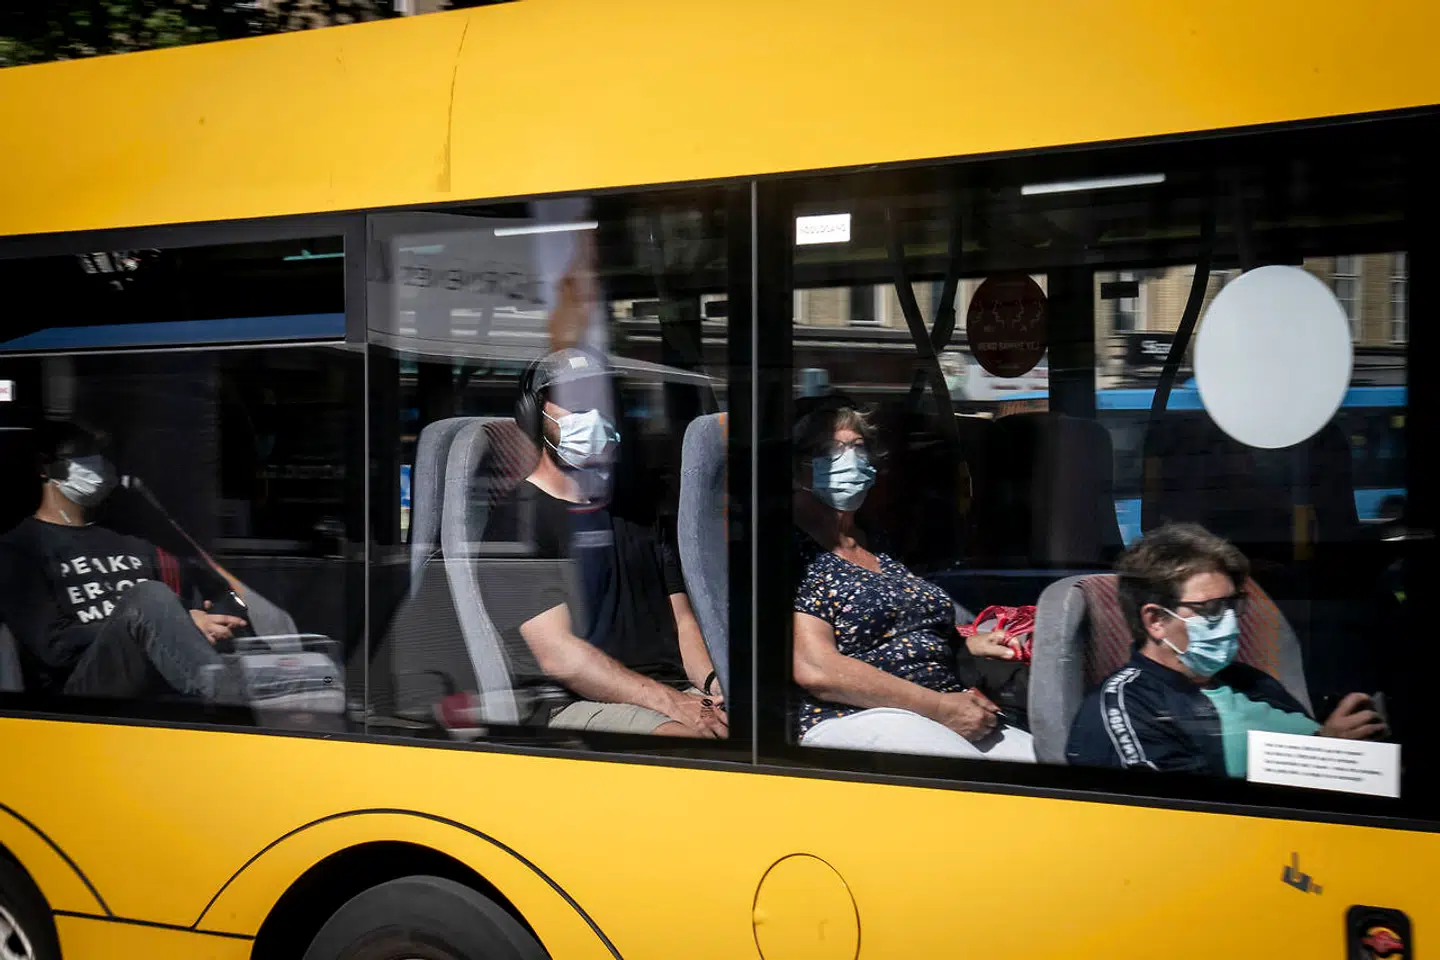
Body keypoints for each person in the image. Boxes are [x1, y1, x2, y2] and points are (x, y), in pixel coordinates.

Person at [476, 348, 727, 738]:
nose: (590, 417)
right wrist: (671, 702)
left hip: (669, 693)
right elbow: (559, 657)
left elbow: (682, 622)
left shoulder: (638, 510)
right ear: (533, 415)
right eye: (573, 402)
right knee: (695, 744)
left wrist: (715, 685)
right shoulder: (517, 522)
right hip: (572, 704)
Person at [790, 395, 1035, 761]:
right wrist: (940, 708)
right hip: (856, 715)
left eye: (858, 448)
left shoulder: (878, 544)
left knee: (1048, 766)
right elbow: (816, 668)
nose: (850, 460)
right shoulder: (789, 552)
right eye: (831, 448)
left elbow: (897, 629)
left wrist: (968, 643)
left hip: (942, 705)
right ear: (798, 468)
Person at [1066, 523, 1387, 775]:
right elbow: (1184, 821)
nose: (1231, 620)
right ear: (1156, 621)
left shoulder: (1249, 681)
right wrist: (1325, 756)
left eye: (1233, 604)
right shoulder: (1128, 708)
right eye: (1211, 608)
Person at [0, 421, 248, 701]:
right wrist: (150, 624)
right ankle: (237, 709)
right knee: (149, 597)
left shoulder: (134, 539)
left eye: (103, 455)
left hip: (162, 678)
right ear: (45, 467)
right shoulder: (18, 548)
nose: (100, 464)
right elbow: (55, 647)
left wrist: (207, 618)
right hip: (79, 695)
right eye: (84, 453)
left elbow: (200, 600)